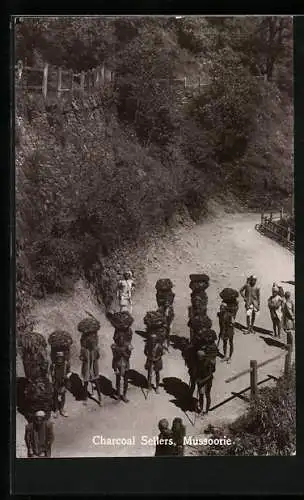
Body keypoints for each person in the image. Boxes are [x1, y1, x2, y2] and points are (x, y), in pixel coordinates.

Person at [195, 333, 217, 414]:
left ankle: (207, 411)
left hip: (207, 379)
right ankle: (201, 409)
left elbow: (211, 375)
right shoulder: (198, 362)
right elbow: (197, 371)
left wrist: (201, 381)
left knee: (207, 395)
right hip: (201, 379)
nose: (198, 358)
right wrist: (196, 378)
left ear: (203, 357)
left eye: (199, 357)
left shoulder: (209, 363)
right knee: (201, 394)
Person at [111, 332, 133, 402]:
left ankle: (124, 395)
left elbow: (128, 356)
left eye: (122, 339)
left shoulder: (127, 346)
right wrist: (114, 368)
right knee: (118, 380)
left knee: (125, 381)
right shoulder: (114, 346)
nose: (121, 340)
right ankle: (118, 394)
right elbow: (114, 357)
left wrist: (123, 352)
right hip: (117, 364)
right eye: (119, 339)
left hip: (126, 364)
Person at [50, 351, 70, 418]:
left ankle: (62, 409)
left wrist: (67, 376)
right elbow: (51, 373)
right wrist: (52, 380)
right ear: (56, 358)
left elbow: (69, 372)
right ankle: (56, 409)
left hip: (63, 382)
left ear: (63, 357)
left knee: (63, 395)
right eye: (58, 357)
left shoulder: (66, 364)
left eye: (61, 357)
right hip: (56, 382)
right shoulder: (53, 365)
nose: (59, 359)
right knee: (55, 395)